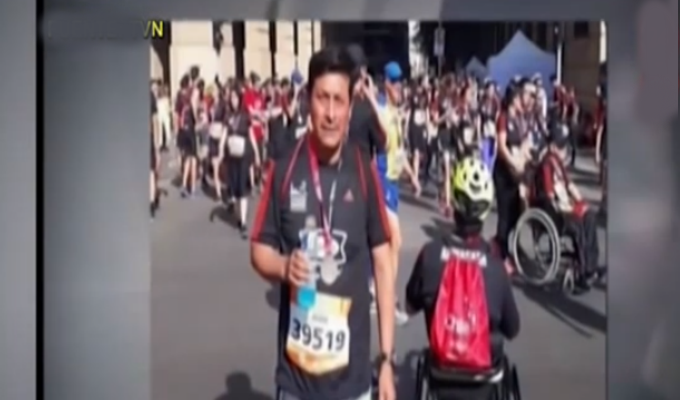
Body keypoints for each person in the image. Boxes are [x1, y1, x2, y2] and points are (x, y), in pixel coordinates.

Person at [250, 45, 396, 400]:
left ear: (350, 108)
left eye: (338, 101)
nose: (330, 113)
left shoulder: (363, 171)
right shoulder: (284, 169)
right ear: (308, 102)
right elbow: (258, 249)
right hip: (296, 382)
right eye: (322, 98)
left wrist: (386, 361)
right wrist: (283, 266)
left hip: (353, 383)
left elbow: (382, 264)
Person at [406, 157, 520, 400]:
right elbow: (513, 328)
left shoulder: (430, 254)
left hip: (441, 371)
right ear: (486, 208)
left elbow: (409, 306)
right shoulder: (496, 266)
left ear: (454, 202)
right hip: (484, 380)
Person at [365, 61, 421, 324]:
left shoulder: (395, 111)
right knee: (394, 241)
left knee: (383, 243)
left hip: (394, 182)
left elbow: (398, 150)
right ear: (386, 83)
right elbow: (383, 141)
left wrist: (412, 175)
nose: (400, 86)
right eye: (395, 82)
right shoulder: (378, 107)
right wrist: (371, 97)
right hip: (381, 180)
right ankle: (385, 296)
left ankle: (373, 287)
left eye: (401, 82)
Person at [536, 122, 600, 292]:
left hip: (565, 204)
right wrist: (570, 208)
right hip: (553, 211)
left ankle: (591, 265)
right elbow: (550, 196)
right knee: (577, 224)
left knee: (590, 216)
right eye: (561, 146)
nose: (564, 149)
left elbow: (569, 184)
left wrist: (581, 202)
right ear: (552, 146)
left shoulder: (557, 161)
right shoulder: (546, 165)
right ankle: (583, 272)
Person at [225, 89, 258, 238]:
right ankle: (239, 215)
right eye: (232, 98)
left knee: (243, 188)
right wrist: (221, 149)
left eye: (235, 98)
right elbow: (224, 133)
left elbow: (251, 134)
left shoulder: (245, 115)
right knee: (235, 189)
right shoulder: (228, 116)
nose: (233, 100)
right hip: (232, 155)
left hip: (244, 154)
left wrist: (256, 153)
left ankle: (243, 222)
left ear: (240, 99)